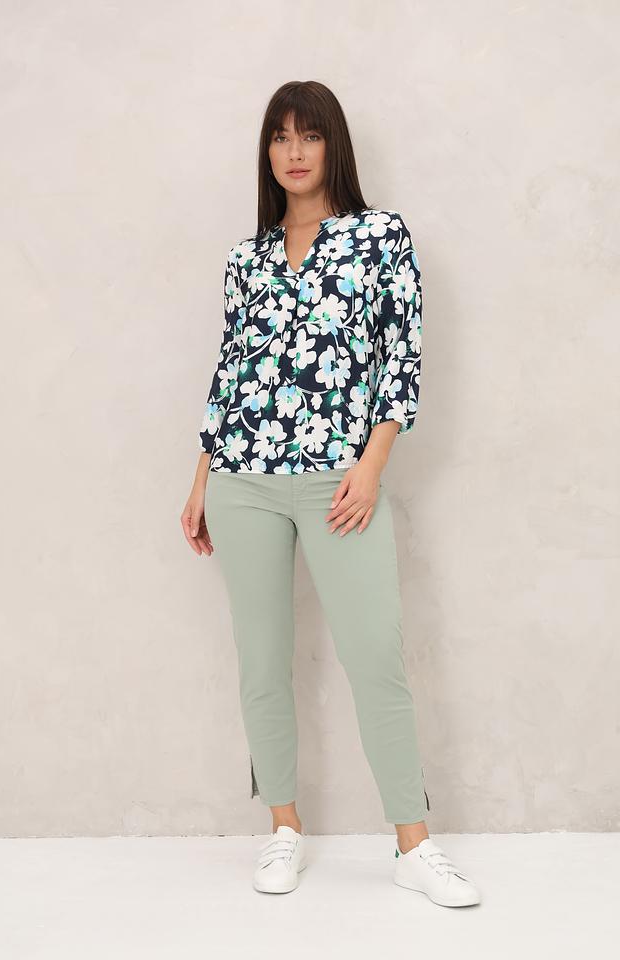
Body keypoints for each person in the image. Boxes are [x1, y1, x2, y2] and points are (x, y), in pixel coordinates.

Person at [181, 80, 481, 907]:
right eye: (280, 136)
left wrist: (372, 465)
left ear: (332, 145)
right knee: (262, 660)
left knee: (375, 655)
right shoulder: (247, 257)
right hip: (242, 478)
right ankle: (283, 828)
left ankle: (413, 846)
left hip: (338, 481)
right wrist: (202, 479)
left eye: (309, 134)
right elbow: (230, 373)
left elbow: (401, 360)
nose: (294, 150)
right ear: (268, 152)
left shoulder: (380, 236)